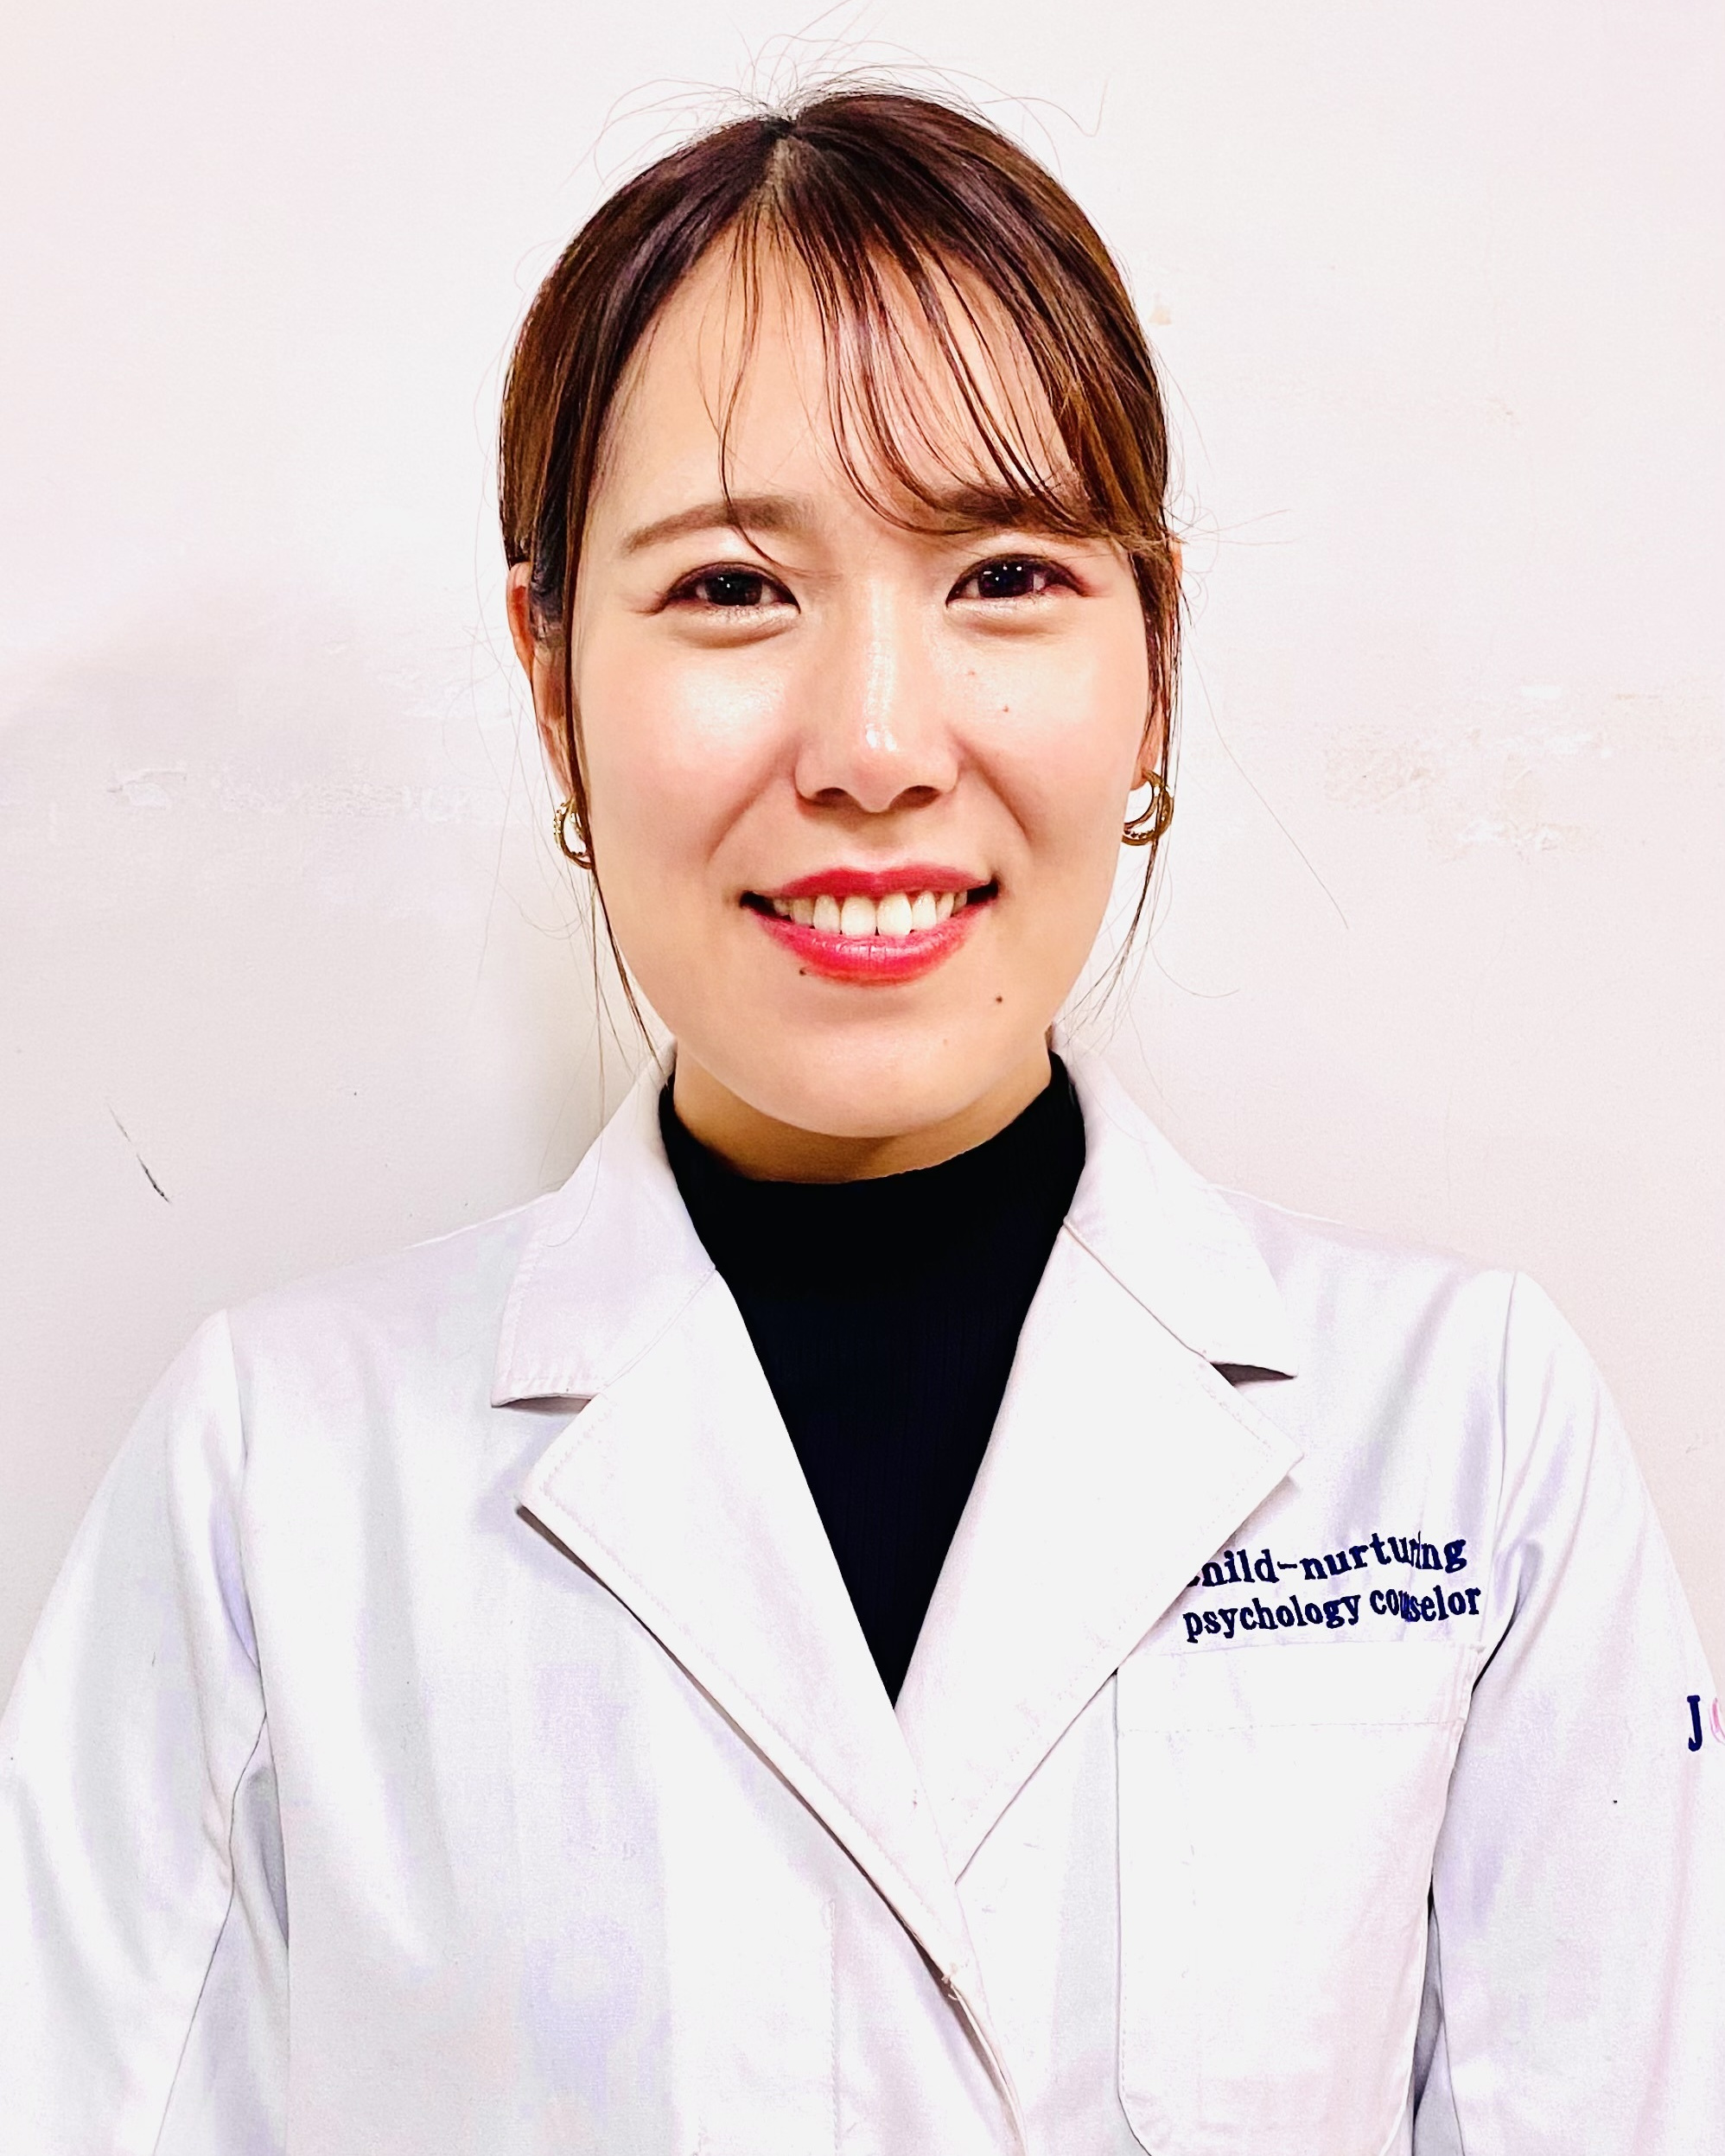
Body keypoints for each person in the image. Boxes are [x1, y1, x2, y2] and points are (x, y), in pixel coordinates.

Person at [0, 87, 1718, 2156]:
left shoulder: (1469, 1437)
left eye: (1001, 573)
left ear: (1151, 661)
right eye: (733, 589)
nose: (877, 745)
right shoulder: (272, 1478)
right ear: (550, 678)